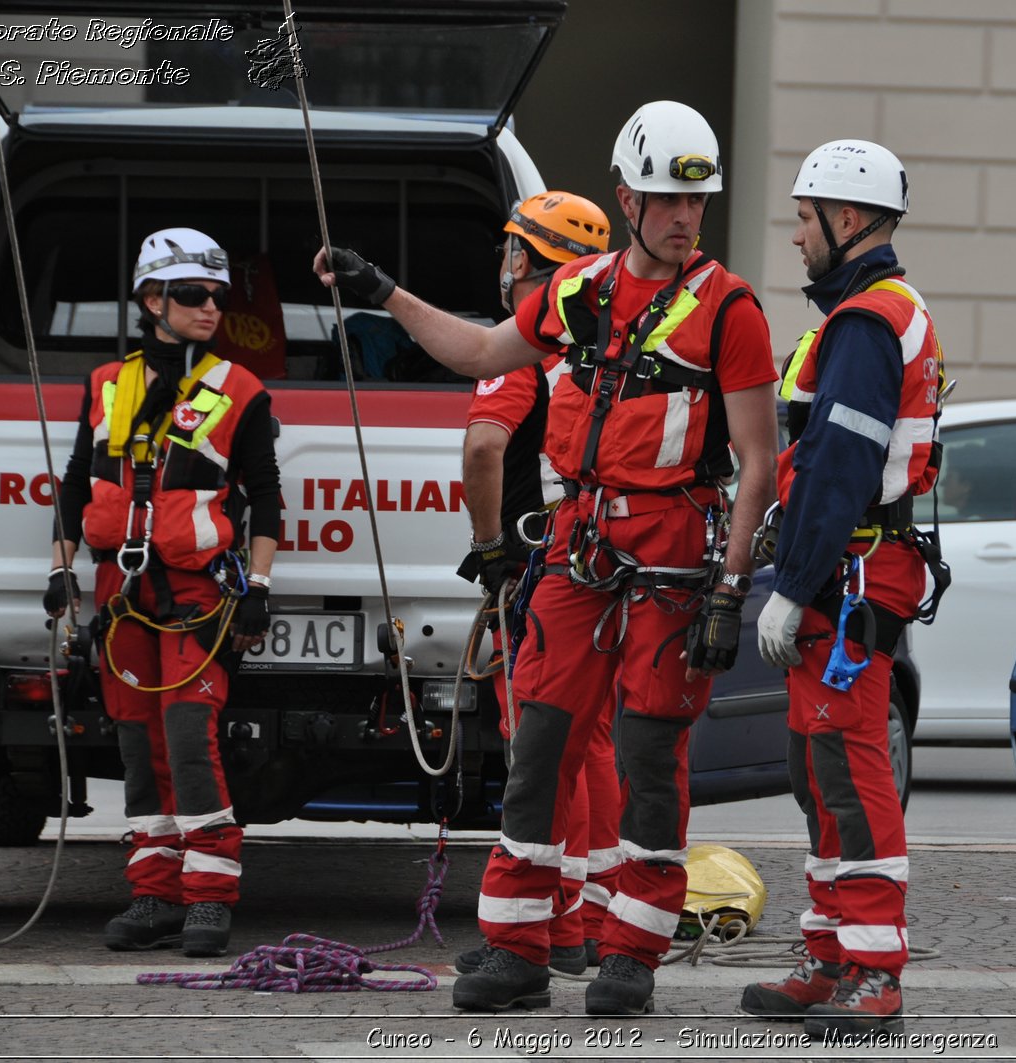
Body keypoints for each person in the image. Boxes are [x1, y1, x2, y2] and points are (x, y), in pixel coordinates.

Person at [314, 100, 778, 1015]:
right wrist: (384, 291)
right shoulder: (582, 292)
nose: (685, 218)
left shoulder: (731, 309)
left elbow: (759, 459)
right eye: (665, 200)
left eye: (698, 202)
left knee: (648, 756)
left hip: (673, 557)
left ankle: (631, 953)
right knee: (539, 754)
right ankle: (519, 949)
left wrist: (732, 590)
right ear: (627, 197)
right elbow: (483, 349)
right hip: (579, 548)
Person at [744, 140, 943, 1038]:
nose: (794, 237)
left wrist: (794, 583)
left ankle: (873, 969)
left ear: (847, 220)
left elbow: (838, 466)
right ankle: (829, 955)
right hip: (846, 572)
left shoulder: (865, 324)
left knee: (852, 774)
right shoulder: (862, 316)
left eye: (802, 218)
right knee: (815, 770)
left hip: (849, 576)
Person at [44, 227, 280, 958]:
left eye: (217, 295)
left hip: (197, 590)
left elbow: (266, 502)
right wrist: (61, 568)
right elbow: (75, 485)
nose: (210, 307)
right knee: (135, 741)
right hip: (120, 590)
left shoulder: (241, 391)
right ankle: (154, 893)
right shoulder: (105, 385)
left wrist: (259, 588)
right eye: (191, 295)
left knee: (187, 736)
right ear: (152, 300)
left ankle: (208, 899)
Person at [453, 190, 618, 977]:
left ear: (524, 259)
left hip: (535, 571)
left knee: (541, 747)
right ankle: (588, 918)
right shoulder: (599, 347)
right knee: (591, 746)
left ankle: (549, 929)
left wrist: (488, 549)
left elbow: (485, 450)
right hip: (596, 564)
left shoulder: (523, 351)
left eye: (510, 251)